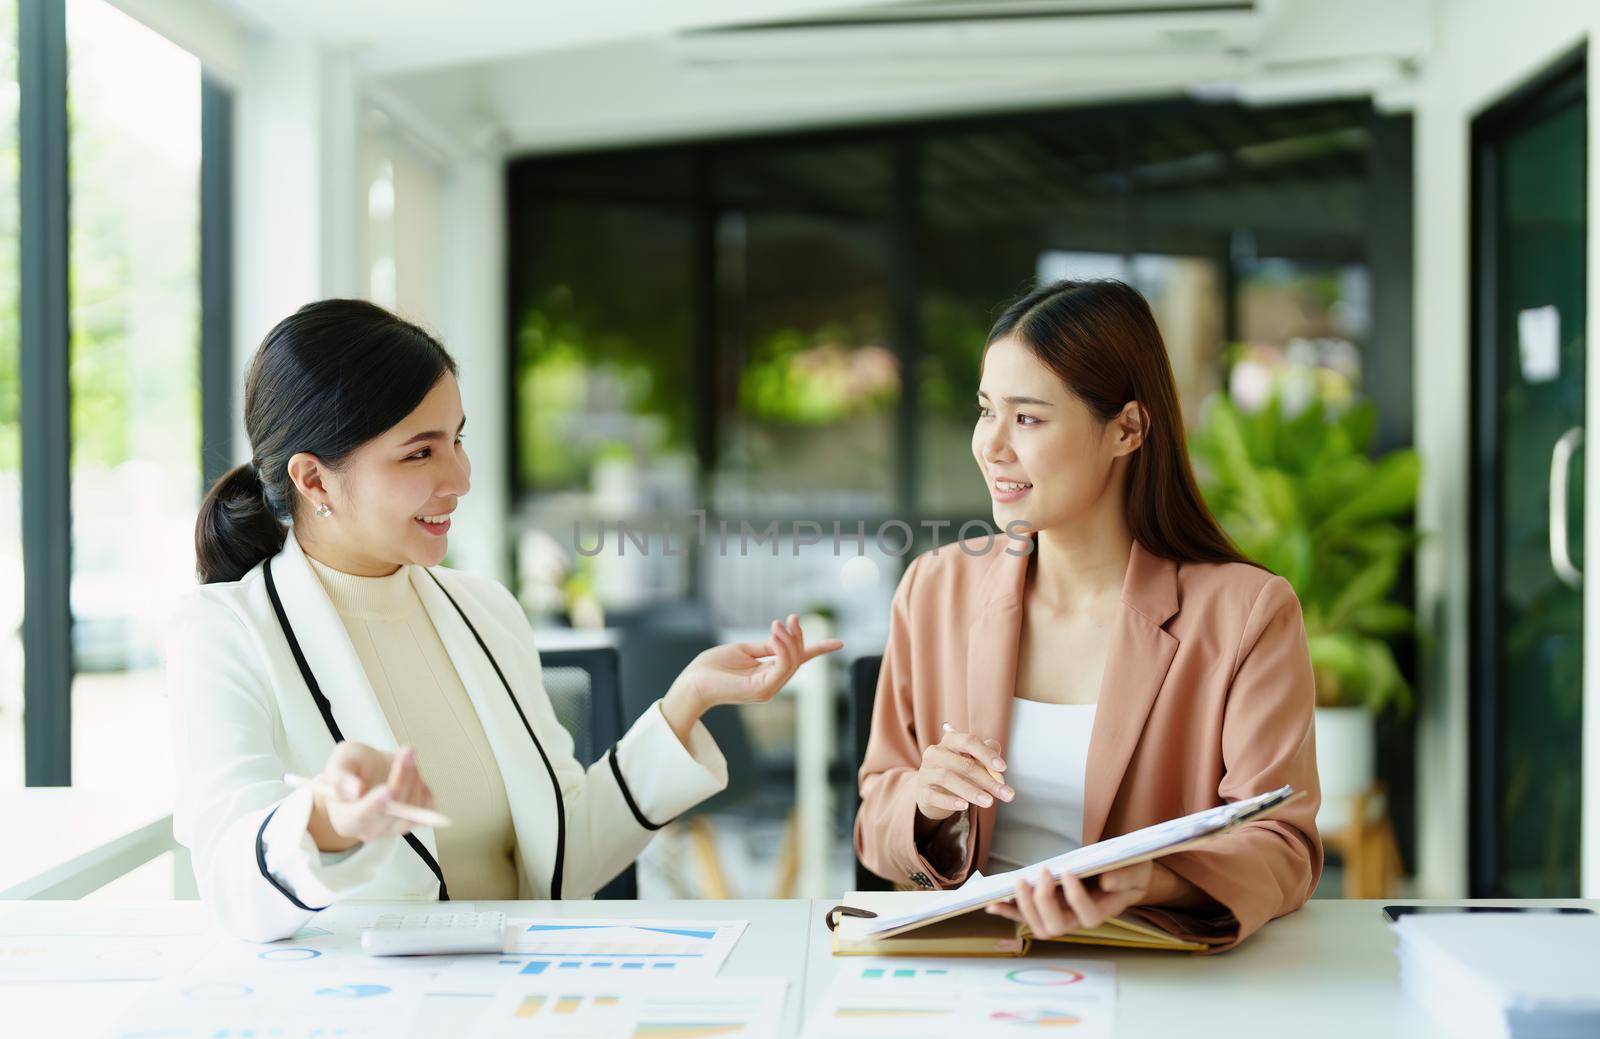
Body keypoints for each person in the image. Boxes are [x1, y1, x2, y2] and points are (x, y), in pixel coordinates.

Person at [170, 298, 841, 941]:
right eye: (420, 452)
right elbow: (231, 881)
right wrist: (326, 820)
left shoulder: (483, 610)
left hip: (517, 1004)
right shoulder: (226, 630)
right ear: (314, 481)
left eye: (457, 440)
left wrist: (687, 702)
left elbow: (562, 852)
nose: (460, 476)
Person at [854, 279, 1321, 952]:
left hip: (1150, 974)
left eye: (1029, 418)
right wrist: (924, 806)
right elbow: (876, 816)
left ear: (1126, 428)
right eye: (987, 411)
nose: (992, 445)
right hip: (970, 967)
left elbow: (1284, 847)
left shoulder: (1247, 613)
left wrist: (1152, 879)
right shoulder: (934, 589)